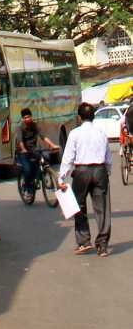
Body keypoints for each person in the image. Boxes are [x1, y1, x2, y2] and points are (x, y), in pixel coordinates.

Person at [59, 102, 113, 256]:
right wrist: (107, 172)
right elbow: (108, 156)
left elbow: (68, 157)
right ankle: (102, 245)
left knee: (78, 205)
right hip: (100, 171)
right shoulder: (101, 133)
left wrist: (62, 177)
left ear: (79, 117)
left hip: (82, 172)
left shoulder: (74, 134)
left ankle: (84, 241)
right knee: (103, 209)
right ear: (93, 116)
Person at [16, 107, 59, 198]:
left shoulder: (35, 125)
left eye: (28, 117)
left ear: (31, 117)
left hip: (34, 150)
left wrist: (52, 145)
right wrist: (23, 149)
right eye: (25, 117)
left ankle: (41, 176)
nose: (27, 119)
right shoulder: (20, 128)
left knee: (45, 157)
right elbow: (20, 141)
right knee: (28, 170)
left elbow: (43, 137)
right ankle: (27, 188)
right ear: (23, 119)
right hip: (23, 152)